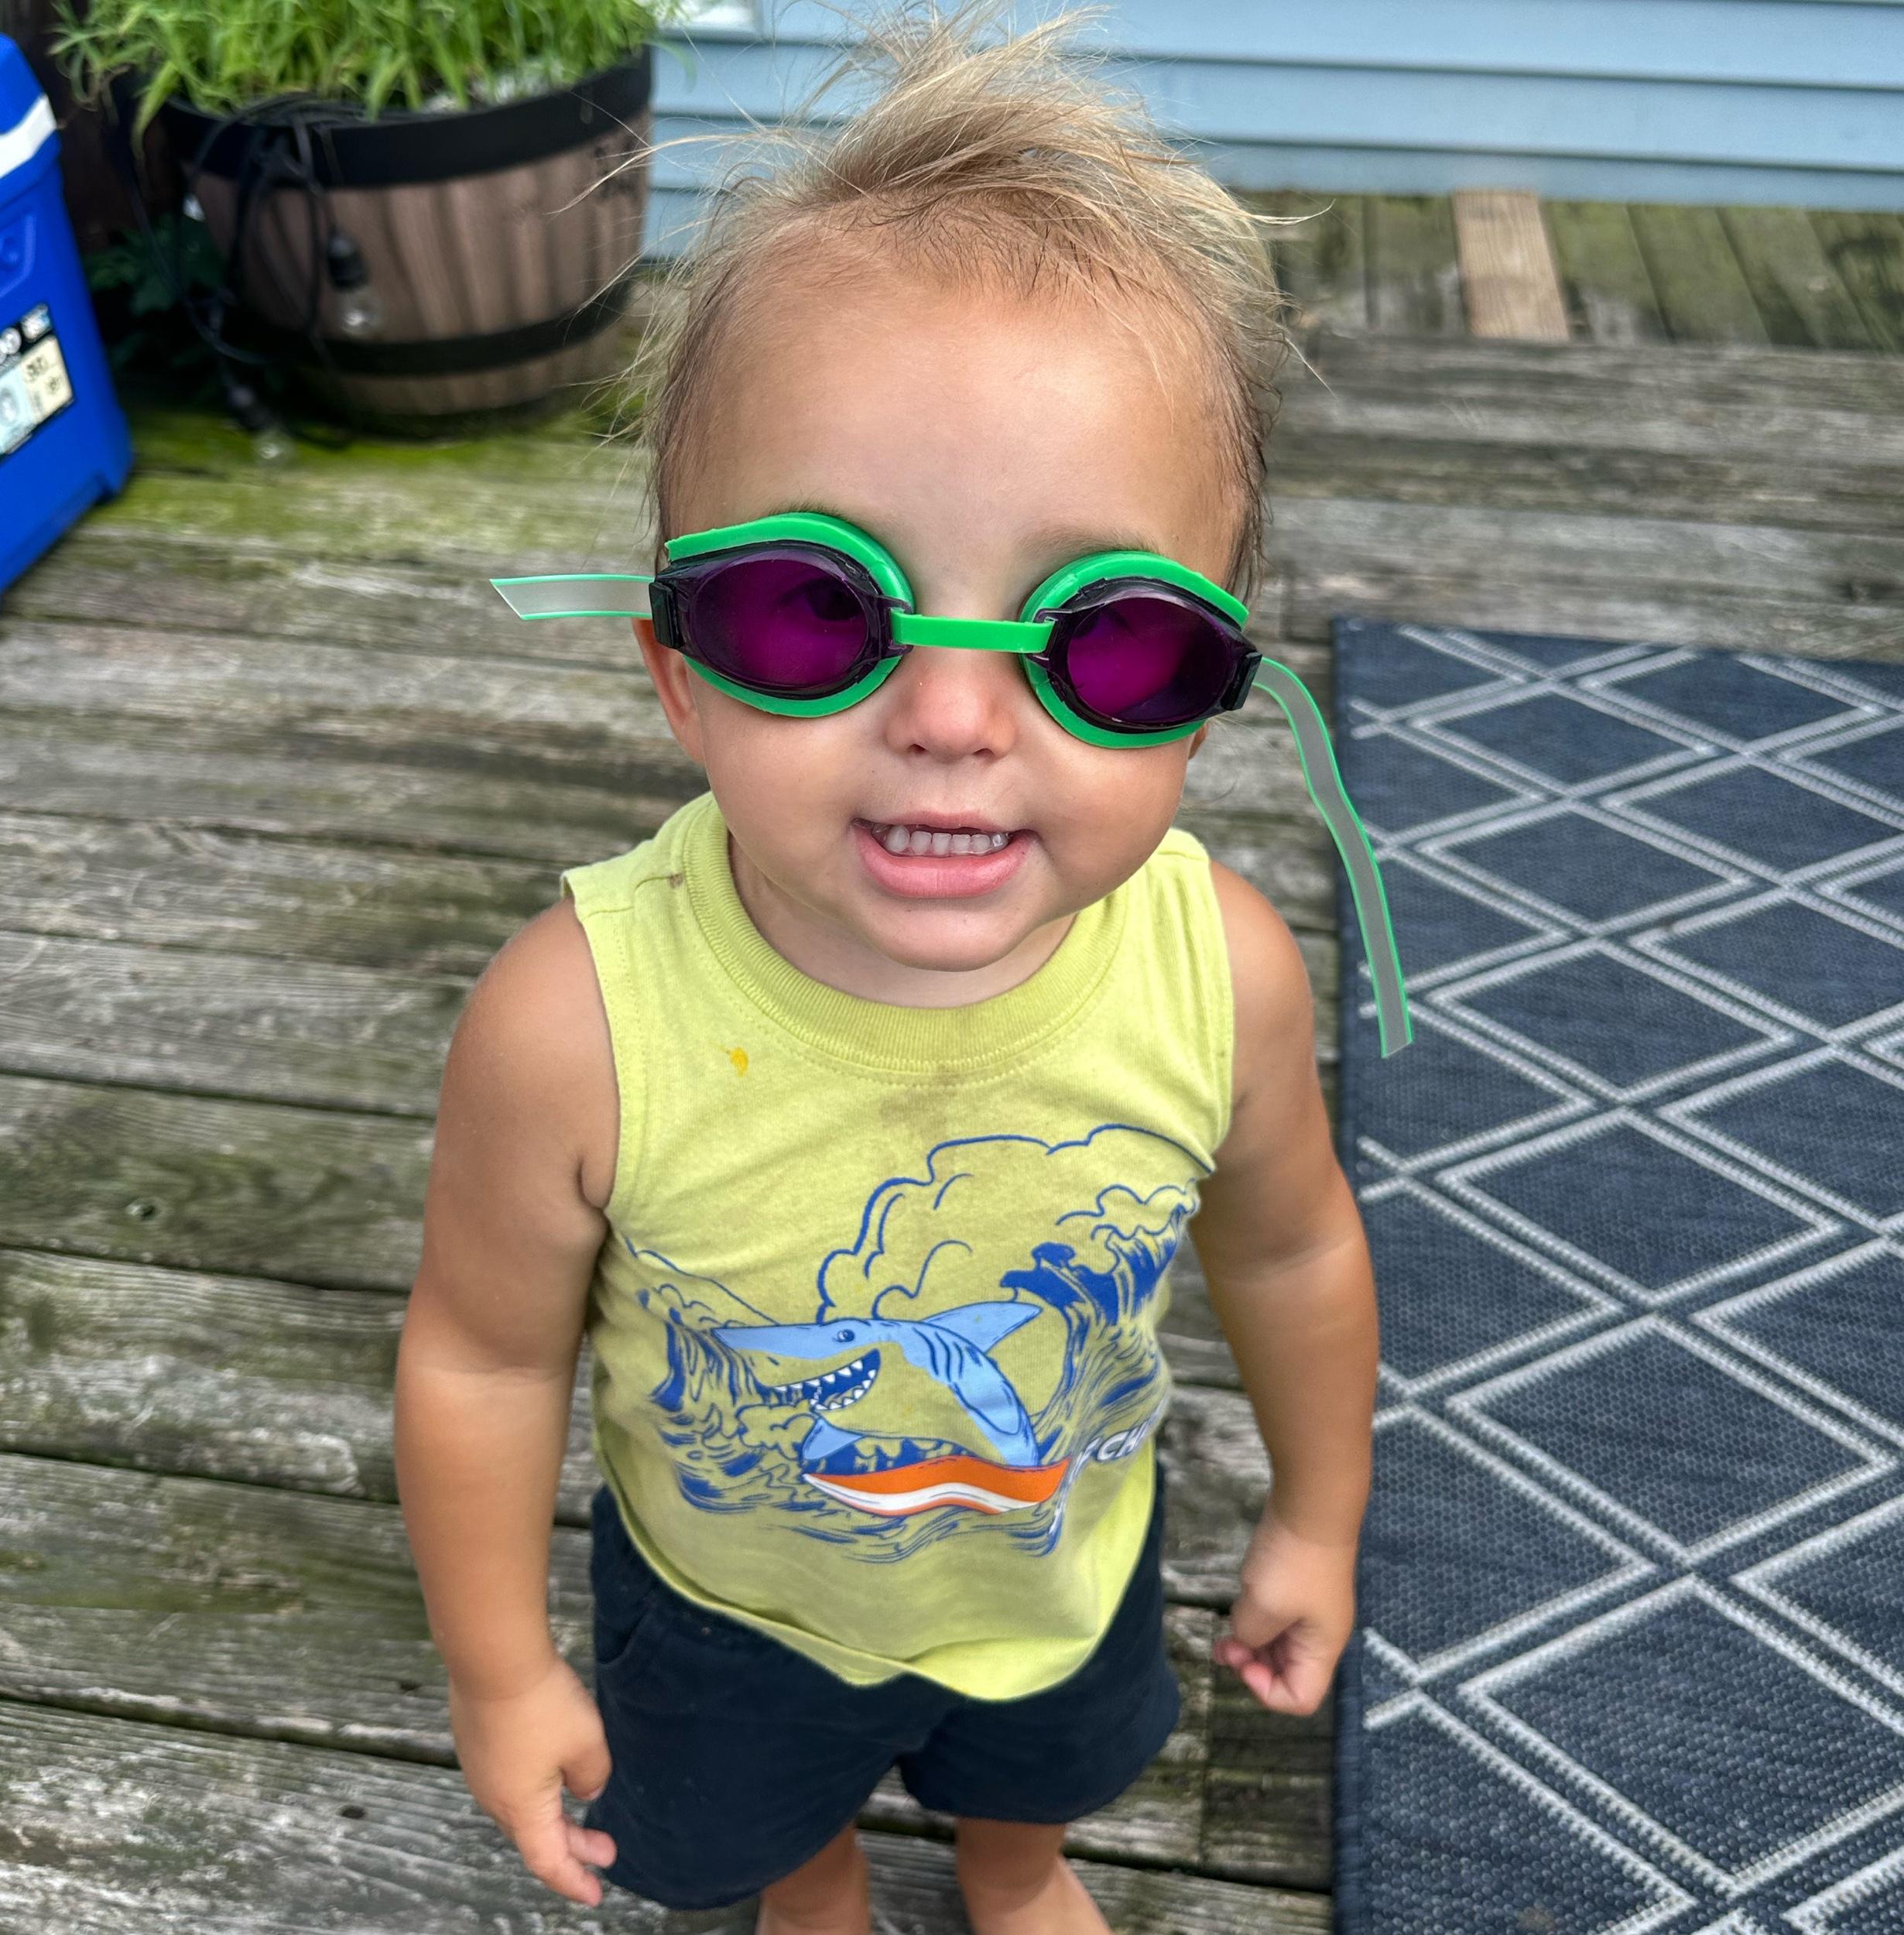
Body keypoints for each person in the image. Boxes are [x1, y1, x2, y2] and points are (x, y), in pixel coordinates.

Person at [393, 7, 1382, 1930]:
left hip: (1060, 1550)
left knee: (1041, 1766)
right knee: (750, 1804)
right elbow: (481, 1352)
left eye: (1102, 640)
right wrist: (500, 1668)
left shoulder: (1218, 970)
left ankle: (1013, 1867)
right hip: (729, 1599)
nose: (950, 716)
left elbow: (1286, 1251)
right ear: (678, 669)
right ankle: (814, 1868)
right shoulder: (572, 1024)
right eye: (812, 608)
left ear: (1210, 693)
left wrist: (1317, 1512)